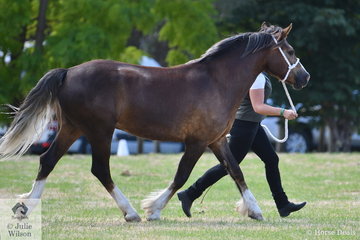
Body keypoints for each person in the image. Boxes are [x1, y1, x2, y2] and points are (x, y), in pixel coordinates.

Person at [177, 73, 306, 218]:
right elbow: (258, 107)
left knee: (271, 159)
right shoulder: (257, 77)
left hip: (252, 125)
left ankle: (283, 204)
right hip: (245, 125)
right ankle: (190, 193)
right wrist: (283, 112)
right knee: (229, 165)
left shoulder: (258, 74)